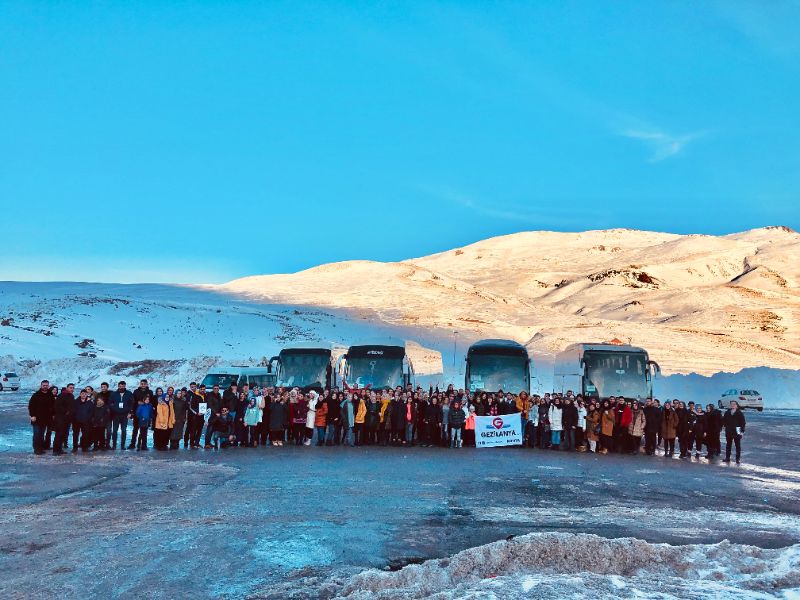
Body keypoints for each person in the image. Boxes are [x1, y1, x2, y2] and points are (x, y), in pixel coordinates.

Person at [28, 380, 54, 455]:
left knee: (42, 434)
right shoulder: (36, 395)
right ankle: (36, 449)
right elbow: (31, 406)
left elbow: (53, 405)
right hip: (36, 418)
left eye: (46, 385)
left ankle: (41, 448)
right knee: (37, 434)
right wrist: (32, 415)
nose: (45, 387)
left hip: (46, 418)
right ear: (41, 386)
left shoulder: (50, 394)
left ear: (48, 386)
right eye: (44, 385)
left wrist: (53, 415)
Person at [128, 379, 152, 449]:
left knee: (144, 431)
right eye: (142, 384)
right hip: (137, 414)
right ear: (140, 384)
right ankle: (132, 444)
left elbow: (151, 402)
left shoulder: (150, 392)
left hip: (146, 415)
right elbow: (133, 401)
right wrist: (132, 412)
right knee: (135, 429)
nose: (143, 385)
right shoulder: (136, 391)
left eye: (144, 384)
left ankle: (143, 445)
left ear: (147, 384)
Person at [52, 384, 75, 455]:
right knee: (59, 434)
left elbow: (72, 406)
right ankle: (55, 450)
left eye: (73, 388)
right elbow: (57, 406)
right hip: (60, 418)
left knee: (64, 434)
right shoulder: (61, 395)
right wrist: (66, 411)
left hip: (68, 419)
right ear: (67, 388)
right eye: (70, 388)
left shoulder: (71, 396)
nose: (72, 389)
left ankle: (60, 449)